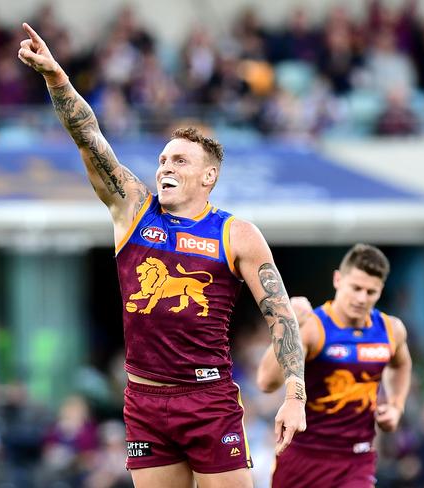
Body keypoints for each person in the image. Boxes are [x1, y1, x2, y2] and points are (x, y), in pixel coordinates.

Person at [18, 22, 306, 488]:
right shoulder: (134, 210)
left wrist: (295, 393)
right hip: (145, 403)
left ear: (208, 176)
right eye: (163, 160)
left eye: (180, 161)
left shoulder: (236, 233)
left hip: (208, 400)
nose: (165, 168)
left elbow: (280, 316)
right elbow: (90, 137)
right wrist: (57, 78)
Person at [256, 243, 412, 487]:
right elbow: (265, 382)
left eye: (371, 292)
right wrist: (289, 325)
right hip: (303, 456)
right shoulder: (313, 327)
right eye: (356, 288)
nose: (361, 298)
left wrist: (396, 405)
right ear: (338, 280)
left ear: (381, 290)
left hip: (356, 459)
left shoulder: (391, 330)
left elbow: (401, 364)